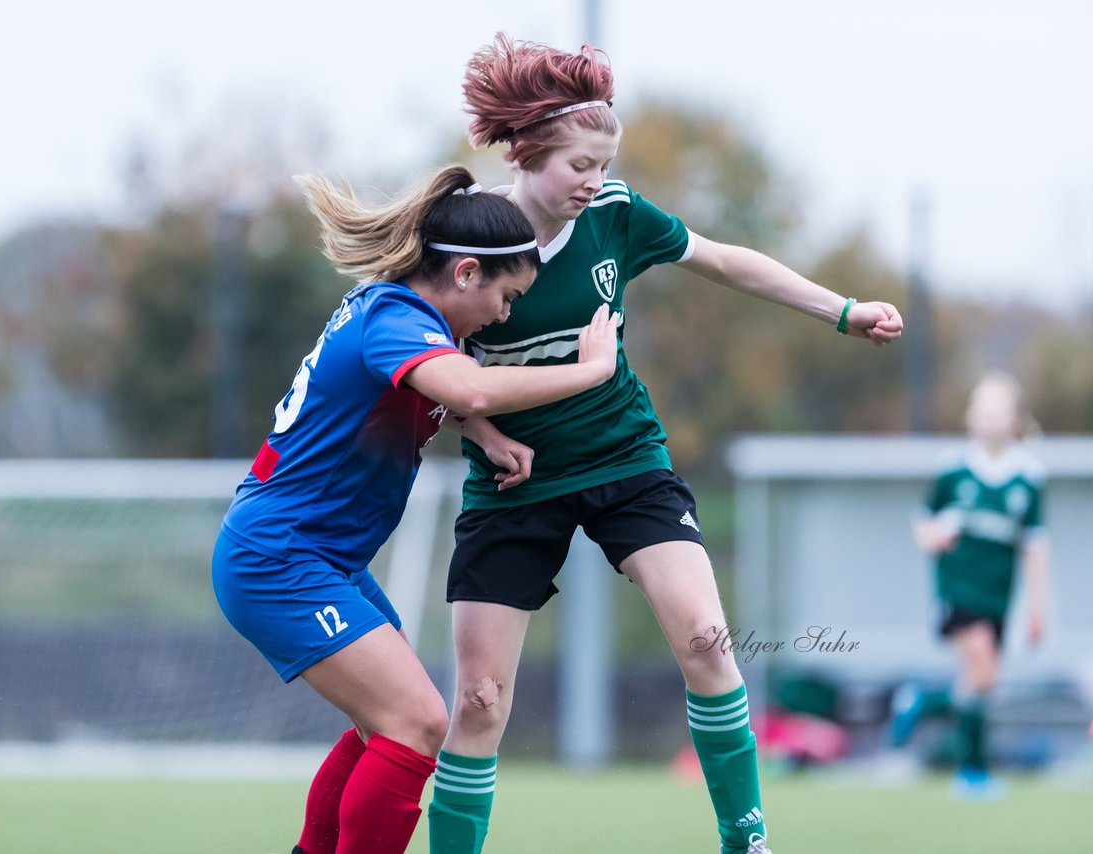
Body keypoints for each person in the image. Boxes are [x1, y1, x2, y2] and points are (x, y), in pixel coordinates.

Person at [426, 34, 904, 854]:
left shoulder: (614, 214)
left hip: (625, 460)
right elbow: (422, 368)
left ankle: (745, 840)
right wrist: (485, 430)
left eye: (604, 163)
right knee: (478, 701)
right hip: (512, 486)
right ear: (529, 151)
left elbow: (724, 262)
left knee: (705, 643)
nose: (594, 180)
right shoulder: (463, 244)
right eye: (579, 164)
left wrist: (842, 309)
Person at [210, 164, 620, 854]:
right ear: (465, 274)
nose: (504, 315)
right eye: (506, 296)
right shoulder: (396, 318)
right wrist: (594, 370)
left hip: (316, 558)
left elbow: (419, 395)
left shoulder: (391, 312)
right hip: (279, 558)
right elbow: (474, 387)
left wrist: (480, 432)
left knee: (388, 726)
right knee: (418, 722)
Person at [891, 371, 1047, 798]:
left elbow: (1035, 547)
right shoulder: (952, 470)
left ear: (1014, 420)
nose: (992, 422)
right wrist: (931, 536)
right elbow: (922, 523)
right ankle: (972, 770)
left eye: (1000, 414)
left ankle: (924, 705)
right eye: (984, 413)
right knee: (981, 671)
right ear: (971, 419)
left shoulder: (1028, 477)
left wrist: (1038, 607)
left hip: (1000, 595)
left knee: (981, 681)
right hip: (958, 588)